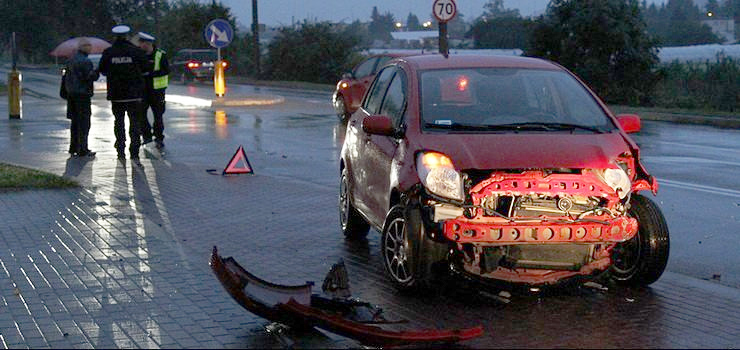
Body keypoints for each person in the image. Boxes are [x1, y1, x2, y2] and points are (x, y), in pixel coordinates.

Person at [98, 25, 149, 160]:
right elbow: (146, 68)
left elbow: (102, 70)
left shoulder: (109, 52)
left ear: (115, 37)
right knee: (135, 122)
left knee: (118, 122)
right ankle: (134, 150)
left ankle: (120, 149)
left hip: (116, 94)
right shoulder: (136, 51)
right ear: (127, 36)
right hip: (134, 94)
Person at [64, 39, 100, 157]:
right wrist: (96, 72)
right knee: (84, 123)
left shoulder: (70, 60)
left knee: (74, 122)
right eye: (89, 46)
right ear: (84, 47)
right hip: (83, 95)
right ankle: (83, 148)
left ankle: (73, 146)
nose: (91, 48)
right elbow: (89, 77)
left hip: (71, 94)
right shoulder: (85, 61)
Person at [136, 32, 169, 149]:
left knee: (158, 116)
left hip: (157, 91)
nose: (140, 45)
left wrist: (150, 74)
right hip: (142, 91)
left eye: (142, 43)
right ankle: (147, 137)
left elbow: (166, 70)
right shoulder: (138, 55)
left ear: (148, 44)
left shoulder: (160, 55)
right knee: (141, 116)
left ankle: (159, 138)